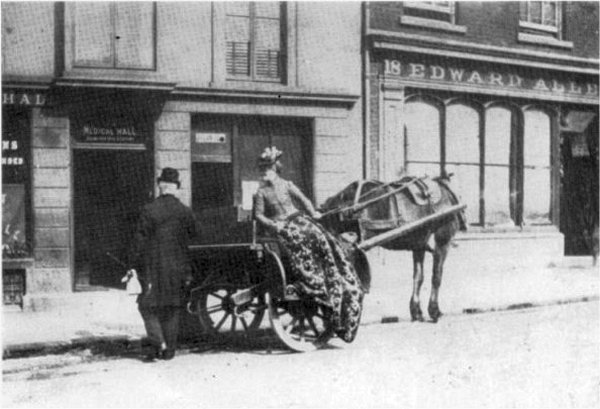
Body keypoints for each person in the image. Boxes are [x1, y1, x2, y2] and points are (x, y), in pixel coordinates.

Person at [253, 146, 364, 343]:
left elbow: (304, 200)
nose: (264, 173)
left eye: (268, 169)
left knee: (319, 236)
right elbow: (259, 215)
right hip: (280, 227)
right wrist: (273, 225)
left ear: (275, 169)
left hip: (298, 219)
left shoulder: (287, 185)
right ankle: (311, 277)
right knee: (297, 238)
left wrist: (313, 213)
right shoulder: (261, 193)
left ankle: (330, 272)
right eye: (262, 170)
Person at [126, 167, 197, 361]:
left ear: (160, 186)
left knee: (147, 306)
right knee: (172, 308)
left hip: (153, 268)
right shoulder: (185, 212)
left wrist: (132, 264)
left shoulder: (149, 210)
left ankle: (158, 342)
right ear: (177, 188)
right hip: (178, 268)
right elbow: (194, 237)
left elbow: (139, 241)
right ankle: (170, 350)